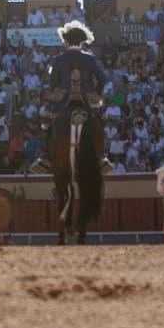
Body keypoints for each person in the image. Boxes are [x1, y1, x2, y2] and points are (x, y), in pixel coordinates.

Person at [44, 21, 108, 243]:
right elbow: (103, 79)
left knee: (48, 126)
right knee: (99, 125)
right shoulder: (90, 59)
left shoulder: (58, 60)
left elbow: (51, 84)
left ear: (66, 41)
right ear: (81, 42)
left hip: (63, 107)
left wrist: (58, 94)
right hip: (86, 107)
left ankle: (44, 158)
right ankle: (101, 158)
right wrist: (95, 96)